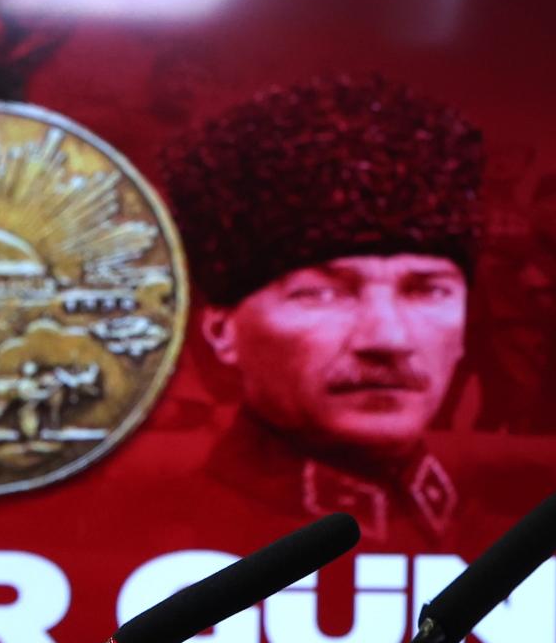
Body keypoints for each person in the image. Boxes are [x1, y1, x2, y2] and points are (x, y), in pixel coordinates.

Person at [158, 73, 509, 544]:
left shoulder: (507, 545)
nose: (389, 339)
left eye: (427, 291)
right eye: (321, 294)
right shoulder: (171, 543)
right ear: (221, 332)